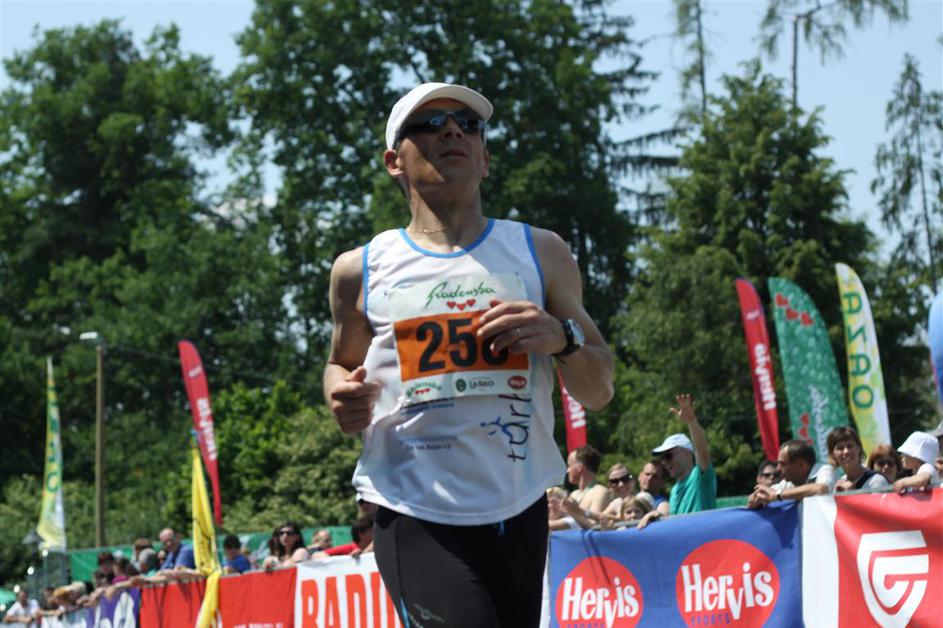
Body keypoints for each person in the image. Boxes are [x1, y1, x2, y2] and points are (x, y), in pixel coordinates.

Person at [324, 81, 614, 627]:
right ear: (394, 161)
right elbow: (340, 363)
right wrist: (339, 395)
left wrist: (562, 337)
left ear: (484, 159)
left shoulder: (541, 252)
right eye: (430, 124)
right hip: (414, 510)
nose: (453, 130)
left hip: (519, 509)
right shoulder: (359, 269)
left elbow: (599, 389)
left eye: (468, 124)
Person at [639, 394, 715, 528]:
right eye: (662, 458)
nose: (664, 462)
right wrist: (658, 516)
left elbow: (702, 451)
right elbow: (675, 524)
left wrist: (692, 422)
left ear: (687, 454)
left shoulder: (699, 477)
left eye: (668, 456)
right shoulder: (674, 490)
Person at [748, 439, 836, 508]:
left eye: (782, 464)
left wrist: (778, 495)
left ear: (801, 464)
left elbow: (821, 489)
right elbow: (769, 494)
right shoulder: (788, 483)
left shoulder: (825, 470)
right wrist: (756, 498)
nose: (778, 468)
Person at [828, 427, 889, 492]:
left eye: (849, 446)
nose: (846, 451)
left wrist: (852, 494)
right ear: (832, 454)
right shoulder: (839, 484)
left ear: (859, 448)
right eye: (840, 448)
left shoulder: (876, 481)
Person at [566, 446, 613, 523]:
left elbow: (593, 524)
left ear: (580, 467)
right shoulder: (573, 494)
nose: (567, 471)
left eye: (569, 465)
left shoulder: (599, 492)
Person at [599, 463, 636, 528]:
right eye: (614, 481)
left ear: (633, 480)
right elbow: (600, 516)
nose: (620, 484)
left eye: (625, 479)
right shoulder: (617, 502)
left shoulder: (642, 497)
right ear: (610, 486)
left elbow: (622, 517)